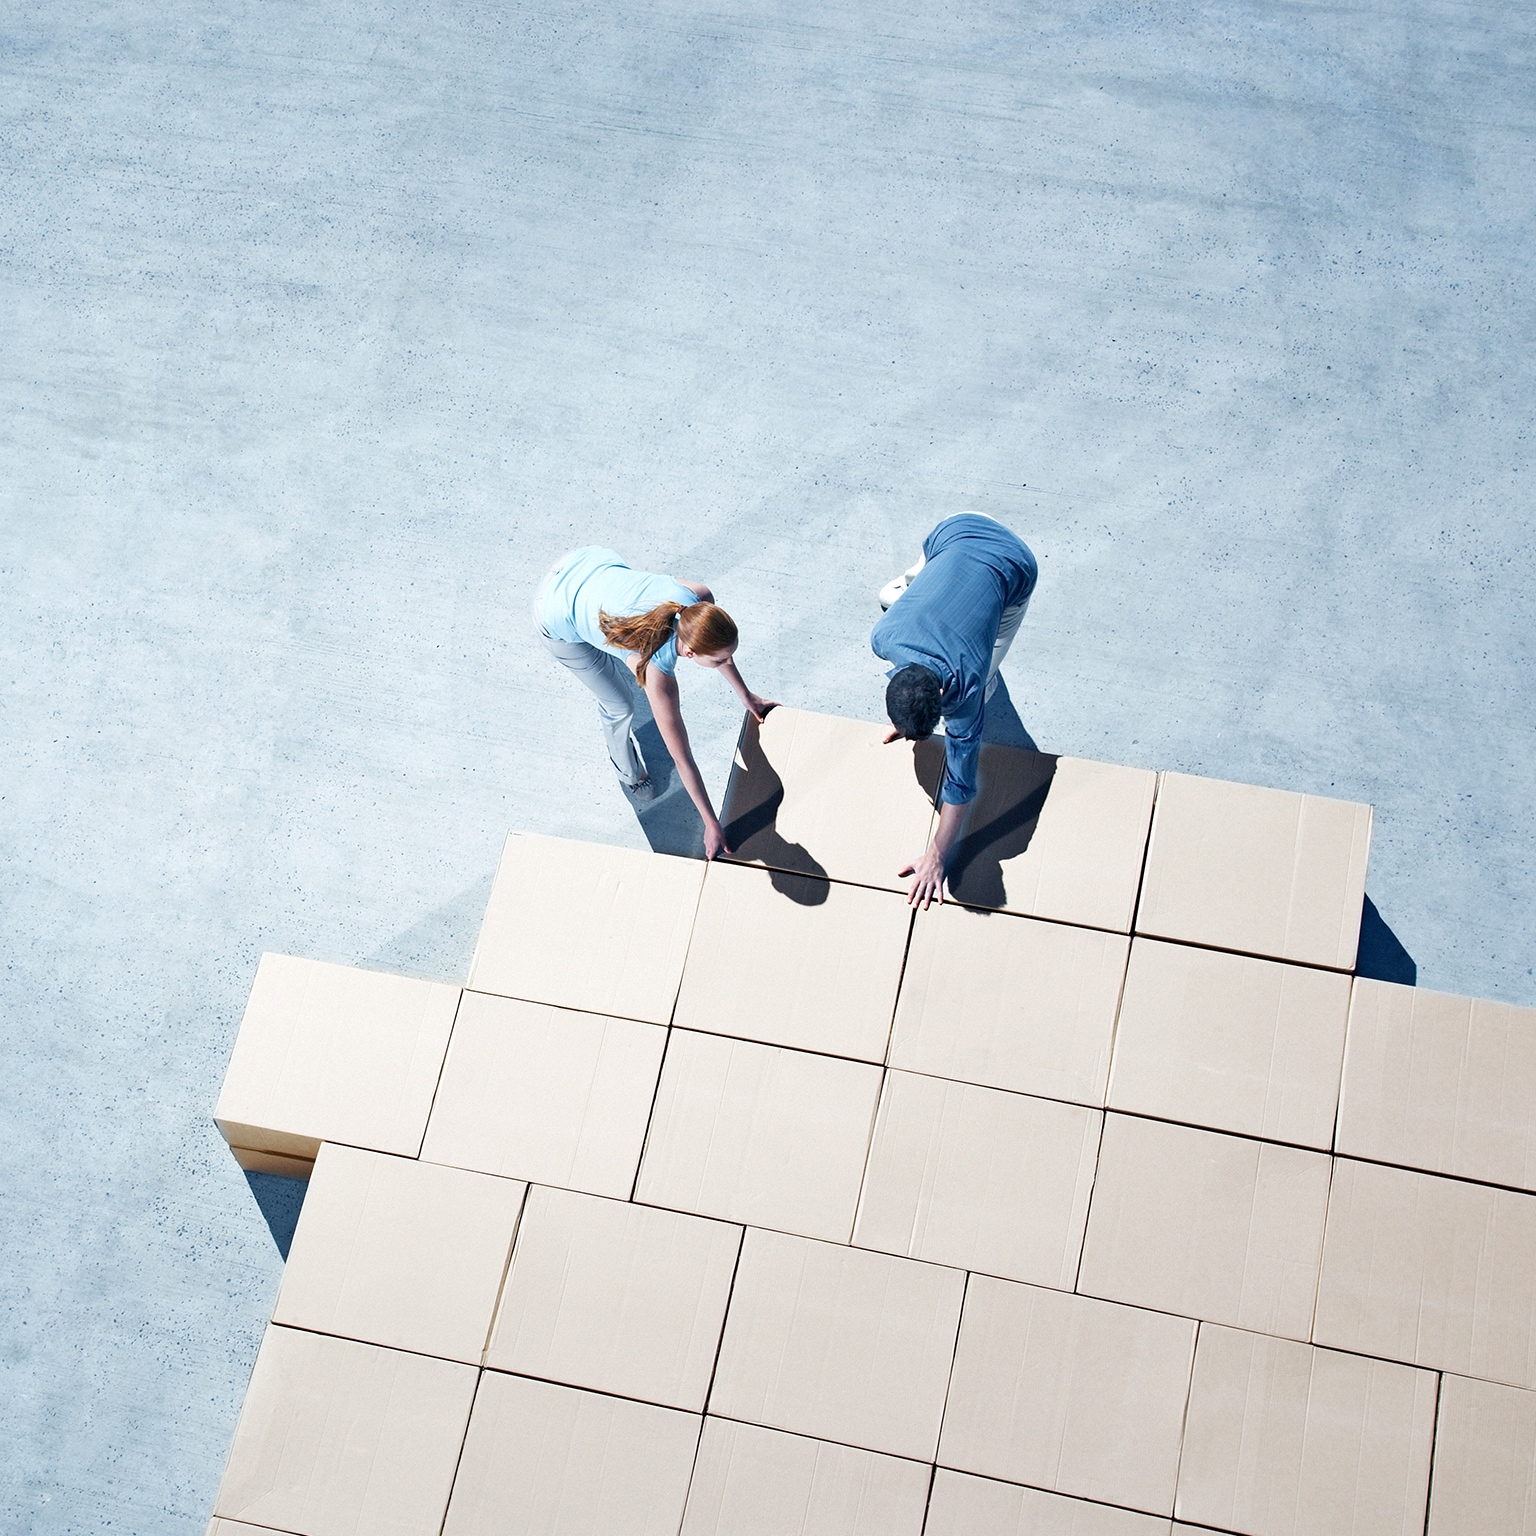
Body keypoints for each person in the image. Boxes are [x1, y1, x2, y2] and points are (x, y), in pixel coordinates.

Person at [535, 546, 777, 859]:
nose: (727, 662)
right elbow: (682, 757)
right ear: (689, 653)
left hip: (587, 561)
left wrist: (747, 695)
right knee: (619, 705)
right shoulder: (657, 673)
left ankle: (603, 635)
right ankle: (630, 775)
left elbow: (716, 649)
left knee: (624, 656)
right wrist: (710, 822)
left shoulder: (698, 599)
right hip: (553, 609)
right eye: (719, 660)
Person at [872, 513, 1038, 908]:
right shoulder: (884, 637)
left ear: (945, 694)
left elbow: (961, 785)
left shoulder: (966, 690)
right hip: (954, 530)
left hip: (1013, 564)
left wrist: (937, 857)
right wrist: (910, 715)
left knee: (991, 662)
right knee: (900, 596)